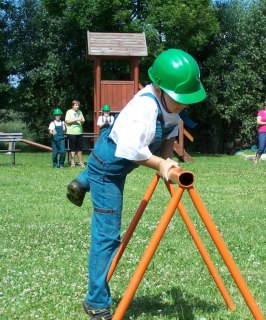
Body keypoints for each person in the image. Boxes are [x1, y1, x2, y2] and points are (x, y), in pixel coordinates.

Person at [66, 49, 206, 320]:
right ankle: (95, 301)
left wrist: (167, 158)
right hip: (110, 168)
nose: (183, 105)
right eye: (180, 99)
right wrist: (161, 165)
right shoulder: (144, 108)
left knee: (99, 164)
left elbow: (170, 130)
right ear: (158, 86)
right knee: (107, 236)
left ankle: (82, 180)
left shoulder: (170, 104)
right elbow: (132, 150)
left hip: (113, 159)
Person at [65, 100, 85, 167]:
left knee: (79, 148)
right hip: (71, 133)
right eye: (76, 105)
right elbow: (67, 121)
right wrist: (76, 119)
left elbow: (82, 121)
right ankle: (72, 162)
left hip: (79, 132)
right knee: (72, 148)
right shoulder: (69, 112)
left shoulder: (80, 112)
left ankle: (80, 162)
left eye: (78, 105)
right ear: (72, 105)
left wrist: (81, 120)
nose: (77, 106)